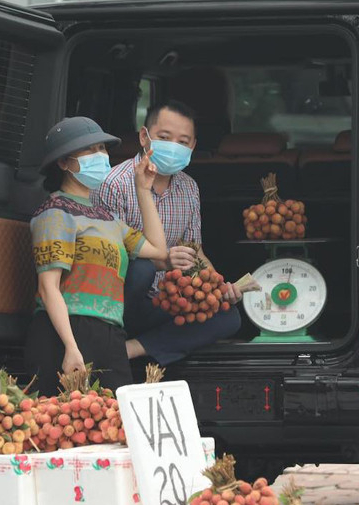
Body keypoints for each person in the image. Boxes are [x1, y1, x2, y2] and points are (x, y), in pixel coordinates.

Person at [94, 100, 246, 365]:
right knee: (142, 269)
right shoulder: (114, 184)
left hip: (168, 301)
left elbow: (195, 252)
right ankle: (120, 340)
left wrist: (218, 288)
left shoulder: (189, 188)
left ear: (193, 147)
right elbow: (105, 258)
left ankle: (132, 349)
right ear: (145, 137)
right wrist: (160, 261)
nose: (174, 147)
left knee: (228, 316)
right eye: (165, 138)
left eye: (183, 142)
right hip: (121, 302)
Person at [25, 117, 168, 396]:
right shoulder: (55, 212)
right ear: (64, 163)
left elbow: (159, 251)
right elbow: (48, 287)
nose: (100, 156)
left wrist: (142, 188)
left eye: (102, 148)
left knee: (116, 425)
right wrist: (71, 346)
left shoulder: (108, 218)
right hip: (65, 331)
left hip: (111, 332)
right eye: (89, 150)